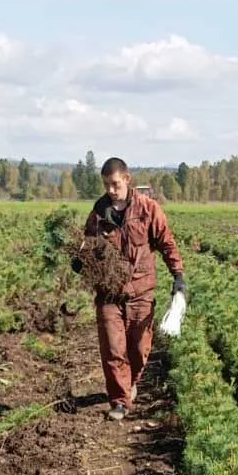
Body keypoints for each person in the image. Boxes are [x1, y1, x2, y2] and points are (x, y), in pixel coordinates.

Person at [76, 157, 186, 422]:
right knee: (113, 349)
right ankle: (120, 402)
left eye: (114, 184)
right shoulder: (99, 213)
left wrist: (178, 277)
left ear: (127, 179)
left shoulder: (148, 210)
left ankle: (130, 382)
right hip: (109, 293)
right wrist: (80, 261)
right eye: (106, 185)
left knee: (138, 349)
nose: (110, 190)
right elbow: (87, 246)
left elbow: (167, 244)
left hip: (141, 292)